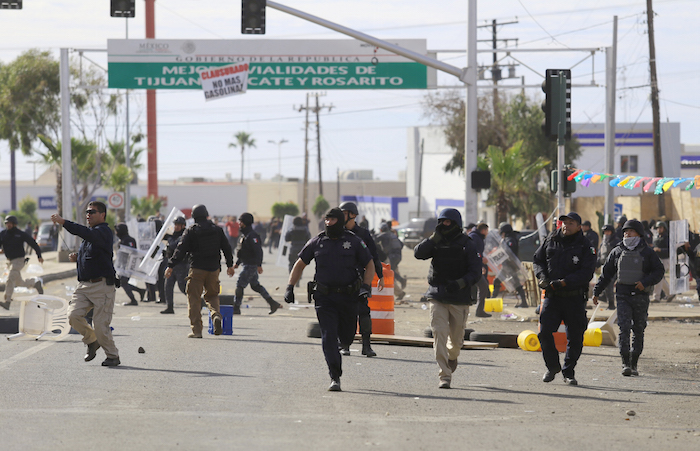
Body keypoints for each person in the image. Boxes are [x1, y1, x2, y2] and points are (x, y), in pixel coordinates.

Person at [284, 208, 375, 391]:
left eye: (332, 220)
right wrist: (290, 287)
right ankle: (335, 376)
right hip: (324, 297)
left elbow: (369, 264)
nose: (328, 223)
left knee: (347, 336)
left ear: (340, 222)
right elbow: (300, 263)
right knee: (328, 336)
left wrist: (366, 287)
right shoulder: (317, 242)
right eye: (326, 219)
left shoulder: (354, 241)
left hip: (348, 297)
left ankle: (345, 343)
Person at [414, 208, 482, 389]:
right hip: (437, 295)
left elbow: (476, 272)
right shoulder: (436, 241)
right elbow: (418, 253)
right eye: (442, 222)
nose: (445, 225)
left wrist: (460, 283)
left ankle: (452, 357)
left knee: (456, 340)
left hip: (459, 298)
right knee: (439, 333)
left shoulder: (467, 243)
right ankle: (444, 375)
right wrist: (432, 240)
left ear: (456, 223)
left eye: (448, 222)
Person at [50, 202, 120, 367]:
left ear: (102, 215)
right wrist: (77, 257)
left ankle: (112, 356)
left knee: (100, 325)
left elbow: (85, 233)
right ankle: (91, 340)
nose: (88, 215)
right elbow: (91, 254)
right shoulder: (90, 236)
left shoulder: (103, 232)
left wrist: (64, 222)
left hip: (102, 286)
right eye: (87, 212)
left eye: (92, 212)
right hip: (84, 287)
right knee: (73, 316)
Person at [592, 219, 664, 377]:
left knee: (638, 330)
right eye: (625, 231)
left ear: (638, 233)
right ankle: (625, 362)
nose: (627, 233)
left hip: (641, 296)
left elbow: (659, 271)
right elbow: (607, 273)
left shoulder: (647, 252)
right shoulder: (617, 251)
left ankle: (634, 363)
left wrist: (645, 283)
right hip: (623, 295)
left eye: (630, 231)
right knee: (624, 328)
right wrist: (597, 291)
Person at [533, 212, 596, 386]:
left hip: (574, 298)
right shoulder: (551, 240)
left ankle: (569, 371)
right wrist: (542, 277)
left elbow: (586, 272)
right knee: (544, 332)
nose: (566, 225)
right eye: (564, 222)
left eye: (570, 223)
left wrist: (565, 282)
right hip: (553, 297)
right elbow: (538, 261)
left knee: (575, 338)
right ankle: (552, 366)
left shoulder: (585, 246)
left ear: (578, 226)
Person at [165, 204, 235, 338]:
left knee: (194, 298)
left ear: (193, 216)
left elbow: (181, 249)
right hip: (214, 269)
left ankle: (196, 330)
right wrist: (230, 265)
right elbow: (226, 247)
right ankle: (216, 315)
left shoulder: (192, 230)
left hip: (197, 269)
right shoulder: (217, 230)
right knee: (212, 295)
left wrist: (170, 265)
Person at [339, 201, 383, 358]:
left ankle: (366, 345)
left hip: (359, 279)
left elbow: (374, 256)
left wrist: (380, 276)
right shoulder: (336, 232)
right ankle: (344, 345)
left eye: (344, 213)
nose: (341, 216)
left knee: (363, 312)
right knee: (343, 312)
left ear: (353, 215)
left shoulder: (363, 234)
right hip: (340, 279)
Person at [233, 212, 282, 315]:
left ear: (245, 223)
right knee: (255, 286)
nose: (239, 224)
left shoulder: (252, 235)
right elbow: (243, 252)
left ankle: (236, 308)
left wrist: (259, 265)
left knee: (240, 285)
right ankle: (272, 303)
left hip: (251, 265)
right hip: (246, 264)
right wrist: (237, 263)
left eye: (241, 222)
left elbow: (258, 251)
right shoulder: (245, 235)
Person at [0, 215, 44, 310]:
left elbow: (33, 243)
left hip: (19, 260)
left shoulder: (20, 234)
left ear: (14, 224)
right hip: (10, 261)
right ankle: (34, 283)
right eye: (7, 223)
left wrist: (39, 255)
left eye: (10, 223)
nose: (8, 225)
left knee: (10, 278)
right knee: (19, 282)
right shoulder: (3, 234)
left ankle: (7, 301)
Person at [492, 223, 528, 308]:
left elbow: (509, 252)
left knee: (516, 284)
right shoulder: (507, 239)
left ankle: (524, 302)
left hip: (510, 266)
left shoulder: (510, 240)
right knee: (498, 281)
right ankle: (493, 300)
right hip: (506, 267)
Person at [162, 216, 189, 314]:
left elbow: (174, 245)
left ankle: (196, 302)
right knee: (168, 286)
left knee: (183, 287)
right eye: (175, 225)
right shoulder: (173, 235)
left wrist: (168, 239)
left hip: (181, 265)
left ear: (183, 226)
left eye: (178, 225)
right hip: (171, 264)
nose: (176, 227)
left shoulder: (184, 235)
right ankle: (170, 307)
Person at [114, 223, 146, 306]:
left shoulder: (127, 240)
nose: (116, 232)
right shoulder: (125, 239)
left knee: (123, 283)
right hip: (124, 266)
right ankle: (140, 291)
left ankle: (133, 300)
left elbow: (131, 252)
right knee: (122, 282)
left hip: (127, 266)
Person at [468, 222, 492, 318]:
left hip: (475, 267)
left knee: (483, 286)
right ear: (483, 230)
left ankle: (479, 310)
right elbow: (474, 253)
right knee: (483, 286)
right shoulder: (475, 237)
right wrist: (481, 262)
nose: (487, 233)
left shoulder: (477, 237)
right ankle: (479, 310)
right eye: (487, 231)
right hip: (471, 268)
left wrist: (481, 264)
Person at [375, 222, 406, 293]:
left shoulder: (383, 235)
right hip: (398, 255)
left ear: (381, 230)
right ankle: (398, 287)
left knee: (390, 272)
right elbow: (401, 244)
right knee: (393, 270)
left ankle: (401, 281)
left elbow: (374, 239)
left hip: (392, 256)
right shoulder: (392, 235)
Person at [596, 224, 620, 310]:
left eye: (608, 232)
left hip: (613, 267)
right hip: (604, 266)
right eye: (605, 232)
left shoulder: (616, 242)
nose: (606, 233)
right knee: (604, 284)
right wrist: (597, 264)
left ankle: (611, 304)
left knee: (609, 285)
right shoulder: (603, 242)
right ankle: (605, 298)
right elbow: (601, 254)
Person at [651, 221, 673, 302]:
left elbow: (670, 250)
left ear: (664, 228)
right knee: (660, 278)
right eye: (658, 228)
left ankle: (656, 297)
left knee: (658, 277)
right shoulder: (656, 237)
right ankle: (670, 293)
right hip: (657, 259)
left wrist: (660, 250)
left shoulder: (667, 238)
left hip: (665, 259)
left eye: (661, 228)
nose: (659, 229)